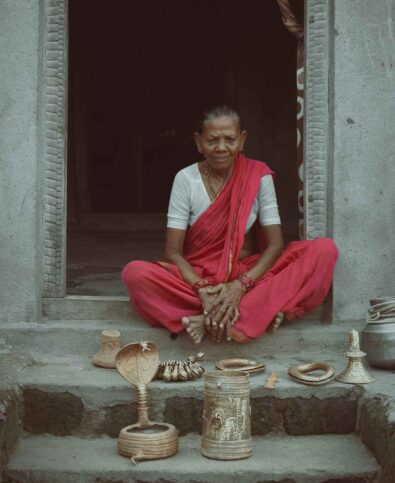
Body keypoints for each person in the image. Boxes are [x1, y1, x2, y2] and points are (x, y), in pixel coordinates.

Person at [122, 106, 338, 344]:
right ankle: (251, 312)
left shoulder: (258, 174)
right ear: (198, 142)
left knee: (324, 250)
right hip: (199, 278)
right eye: (213, 140)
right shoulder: (185, 179)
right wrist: (202, 288)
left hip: (247, 274)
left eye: (230, 139)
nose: (221, 148)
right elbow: (172, 253)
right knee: (135, 273)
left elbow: (275, 246)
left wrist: (240, 286)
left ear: (242, 140)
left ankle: (207, 320)